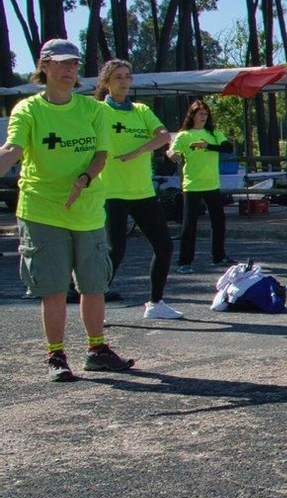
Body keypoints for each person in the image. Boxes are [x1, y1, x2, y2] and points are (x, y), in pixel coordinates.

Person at [0, 38, 135, 380]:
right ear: (44, 66)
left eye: (74, 64)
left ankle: (97, 349)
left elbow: (101, 154)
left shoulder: (93, 110)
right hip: (42, 209)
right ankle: (56, 356)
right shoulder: (28, 110)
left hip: (87, 209)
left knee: (93, 285)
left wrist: (85, 178)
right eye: (61, 63)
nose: (69, 70)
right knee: (54, 288)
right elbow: (13, 149)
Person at [96, 59, 181, 319]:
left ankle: (156, 304)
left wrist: (137, 151)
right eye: (118, 77)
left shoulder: (142, 110)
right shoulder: (97, 110)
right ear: (107, 82)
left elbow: (164, 136)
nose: (124, 82)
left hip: (142, 191)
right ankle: (95, 306)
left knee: (164, 246)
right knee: (115, 251)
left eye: (127, 76)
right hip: (111, 191)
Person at [167, 99, 232, 273]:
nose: (203, 116)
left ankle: (219, 256)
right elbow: (172, 151)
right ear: (193, 115)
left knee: (218, 221)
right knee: (189, 225)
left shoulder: (214, 133)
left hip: (212, 184)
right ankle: (184, 262)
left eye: (206, 113)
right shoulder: (184, 135)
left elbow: (227, 148)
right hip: (192, 185)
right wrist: (171, 153)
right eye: (200, 113)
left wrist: (208, 146)